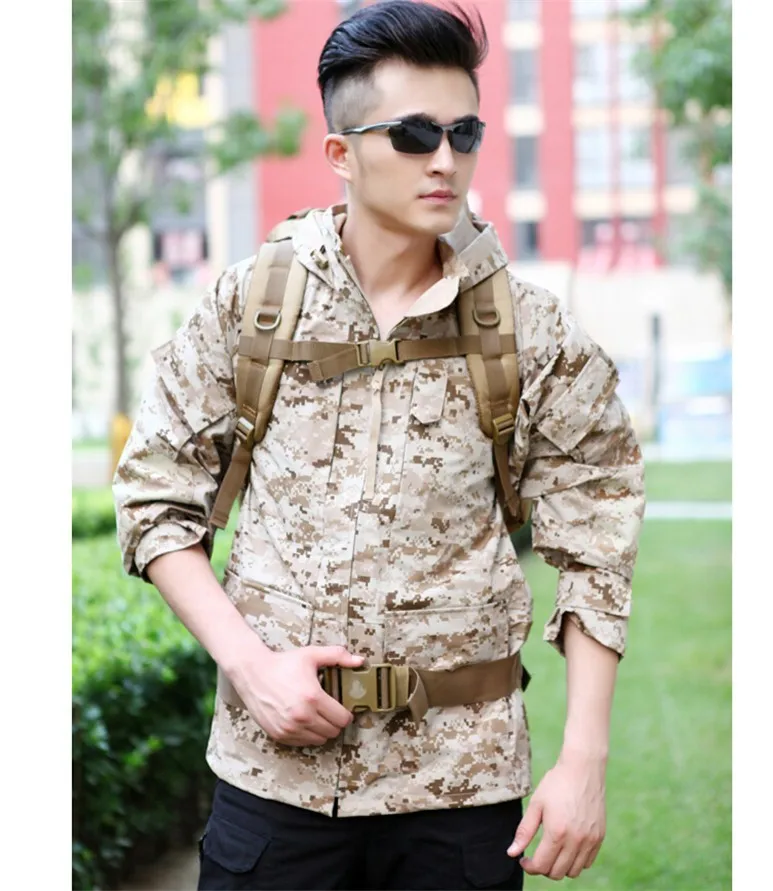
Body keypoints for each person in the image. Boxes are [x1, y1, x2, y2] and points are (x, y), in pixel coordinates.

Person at [113, 1, 646, 888]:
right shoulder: (253, 305)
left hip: (460, 791)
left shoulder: (533, 332)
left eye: (463, 132)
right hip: (273, 782)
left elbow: (598, 544)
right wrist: (251, 665)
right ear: (340, 152)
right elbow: (154, 497)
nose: (445, 159)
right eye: (413, 133)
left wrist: (583, 760)